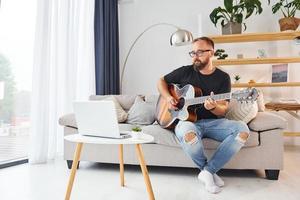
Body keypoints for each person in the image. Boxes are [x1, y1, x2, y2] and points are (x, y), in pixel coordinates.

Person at [157, 37, 250, 194]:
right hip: (188, 122)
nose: (195, 56)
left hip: (214, 124)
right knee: (188, 134)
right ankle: (209, 173)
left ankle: (207, 171)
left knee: (242, 130)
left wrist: (213, 107)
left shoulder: (222, 77)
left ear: (211, 53)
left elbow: (223, 110)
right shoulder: (185, 71)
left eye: (199, 52)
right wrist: (168, 97)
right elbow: (161, 81)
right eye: (192, 52)